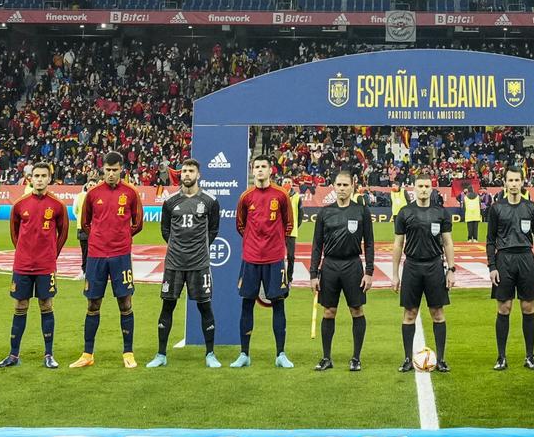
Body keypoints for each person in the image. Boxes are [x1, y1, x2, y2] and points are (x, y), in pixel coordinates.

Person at [72, 151, 145, 369]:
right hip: (96, 255)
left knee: (125, 301)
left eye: (115, 170)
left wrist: (121, 237)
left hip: (121, 255)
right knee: (93, 302)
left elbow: (138, 223)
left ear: (122, 169)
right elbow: (85, 223)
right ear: (102, 169)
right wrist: (99, 237)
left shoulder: (131, 193)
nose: (111, 174)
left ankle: (128, 352)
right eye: (108, 170)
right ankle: (87, 353)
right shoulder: (93, 193)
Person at [149, 157, 220, 368]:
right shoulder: (170, 202)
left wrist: (198, 248)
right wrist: (178, 248)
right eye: (184, 171)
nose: (187, 174)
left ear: (198, 175)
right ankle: (161, 355)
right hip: (174, 264)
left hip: (199, 263)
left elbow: (213, 230)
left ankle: (210, 354)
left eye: (191, 171)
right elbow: (165, 231)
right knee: (167, 306)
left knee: (205, 307)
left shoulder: (209, 201)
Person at [0, 162, 70, 369]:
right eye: (36, 176)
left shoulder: (57, 205)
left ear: (49, 178)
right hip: (22, 265)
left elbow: (63, 233)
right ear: (31, 178)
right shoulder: (20, 204)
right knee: (20, 305)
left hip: (45, 266)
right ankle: (13, 355)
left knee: (46, 305)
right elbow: (14, 233)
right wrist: (23, 251)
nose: (39, 179)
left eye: (43, 176)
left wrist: (51, 254)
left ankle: (48, 354)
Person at [308, 168, 377, 371]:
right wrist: (313, 274)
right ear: (334, 187)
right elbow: (316, 245)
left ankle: (356, 358)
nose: (342, 189)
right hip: (329, 266)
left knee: (356, 310)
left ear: (352, 186)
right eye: (338, 185)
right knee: (329, 312)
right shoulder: (325, 212)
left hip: (353, 265)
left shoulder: (361, 210)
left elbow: (370, 243)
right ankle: (326, 358)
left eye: (345, 185)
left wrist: (369, 271)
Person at [233, 157, 297, 368]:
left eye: (263, 167)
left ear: (271, 170)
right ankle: (244, 354)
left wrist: (275, 243)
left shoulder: (280, 195)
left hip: (275, 259)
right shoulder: (245, 197)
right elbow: (240, 225)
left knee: (278, 303)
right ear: (252, 171)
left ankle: (280, 354)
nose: (259, 170)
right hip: (251, 259)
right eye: (256, 167)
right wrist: (254, 243)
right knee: (247, 303)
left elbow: (288, 224)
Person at [485, 166, 534, 371]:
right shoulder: (496, 208)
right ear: (504, 183)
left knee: (527, 308)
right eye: (510, 181)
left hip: (526, 259)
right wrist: (492, 266)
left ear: (522, 182)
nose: (513, 184)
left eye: (516, 181)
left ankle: (530, 356)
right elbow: (490, 240)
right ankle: (501, 357)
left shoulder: (531, 208)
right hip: (504, 260)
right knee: (504, 308)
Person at [393, 173, 454, 373]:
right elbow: (398, 244)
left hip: (434, 267)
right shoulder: (405, 213)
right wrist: (395, 274)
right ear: (414, 188)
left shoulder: (440, 212)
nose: (424, 189)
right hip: (411, 266)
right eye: (420, 186)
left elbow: (447, 242)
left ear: (432, 187)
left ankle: (442, 359)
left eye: (427, 186)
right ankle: (407, 359)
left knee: (437, 313)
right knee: (409, 313)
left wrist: (451, 269)